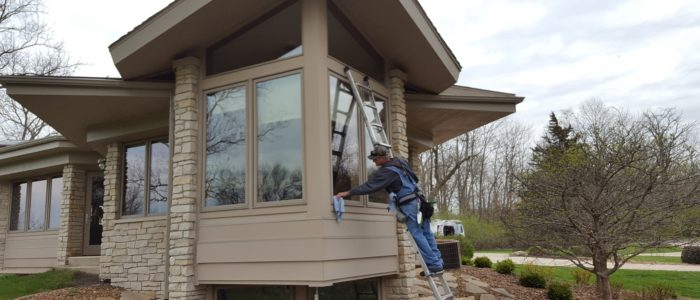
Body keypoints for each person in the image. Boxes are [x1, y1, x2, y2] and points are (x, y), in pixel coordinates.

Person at [335, 145, 444, 274]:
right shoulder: (400, 162)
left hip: (410, 205)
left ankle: (433, 263)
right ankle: (438, 262)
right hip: (420, 202)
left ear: (382, 158)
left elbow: (370, 187)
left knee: (417, 235)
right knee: (426, 233)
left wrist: (348, 193)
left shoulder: (387, 172)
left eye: (375, 159)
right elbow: (414, 178)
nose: (373, 162)